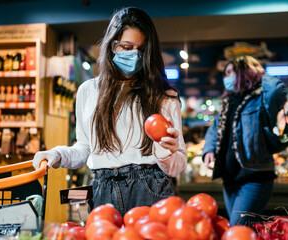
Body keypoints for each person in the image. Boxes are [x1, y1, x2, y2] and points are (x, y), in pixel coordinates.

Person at [33, 7, 187, 217]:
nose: (134, 55)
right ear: (112, 46)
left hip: (151, 188)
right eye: (126, 46)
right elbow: (85, 149)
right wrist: (57, 154)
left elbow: (177, 166)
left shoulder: (164, 96)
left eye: (141, 50)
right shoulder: (88, 91)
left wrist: (166, 152)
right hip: (103, 190)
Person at [203, 55, 287, 225]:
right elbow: (214, 129)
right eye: (225, 74)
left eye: (232, 72)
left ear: (245, 73)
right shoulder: (228, 103)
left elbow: (278, 90)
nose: (227, 77)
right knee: (240, 231)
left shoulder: (262, 99)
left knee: (237, 230)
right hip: (230, 180)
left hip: (255, 179)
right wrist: (208, 150)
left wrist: (258, 72)